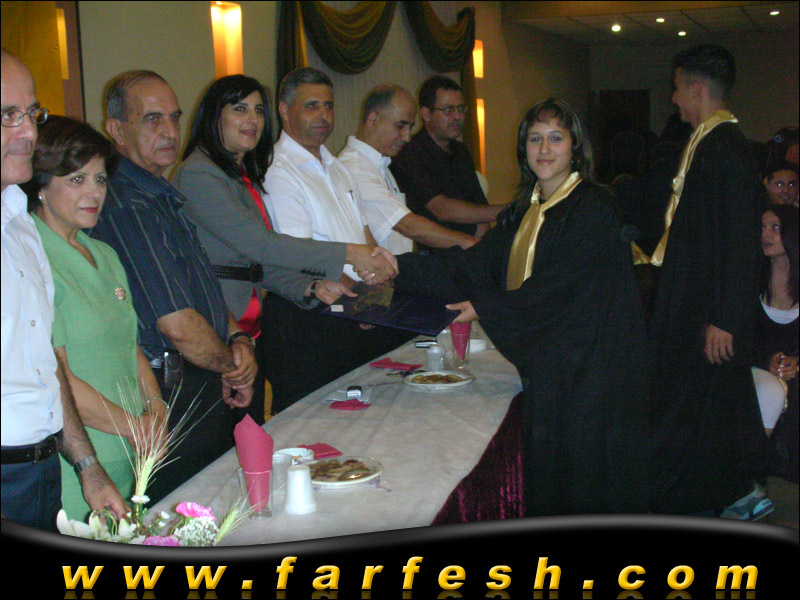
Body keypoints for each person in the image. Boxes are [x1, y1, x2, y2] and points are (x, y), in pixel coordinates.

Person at [393, 98, 650, 516]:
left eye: (556, 138)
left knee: (591, 486)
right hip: (555, 365)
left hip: (594, 370)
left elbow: (562, 287)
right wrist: (394, 269)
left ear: (575, 146)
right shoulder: (525, 209)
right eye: (535, 139)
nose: (544, 150)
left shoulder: (594, 207)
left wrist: (486, 306)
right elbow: (473, 264)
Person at [171, 75, 396, 415]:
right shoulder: (200, 174)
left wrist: (311, 286)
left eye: (258, 111)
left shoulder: (236, 173)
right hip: (216, 324)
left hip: (246, 327)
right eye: (240, 109)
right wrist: (349, 254)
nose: (253, 120)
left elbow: (256, 264)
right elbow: (261, 245)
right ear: (214, 115)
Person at [91, 70, 256, 504]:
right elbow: (178, 325)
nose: (169, 131)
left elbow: (201, 291)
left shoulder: (159, 194)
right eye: (152, 119)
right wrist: (232, 366)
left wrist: (237, 337)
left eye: (174, 118)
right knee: (187, 518)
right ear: (116, 130)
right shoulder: (127, 203)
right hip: (168, 396)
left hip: (199, 382)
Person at [1, 48, 126, 530]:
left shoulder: (21, 225)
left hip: (42, 470)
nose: (28, 132)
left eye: (31, 114)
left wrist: (87, 466)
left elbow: (46, 364)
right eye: (8, 115)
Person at [21, 116, 168, 520]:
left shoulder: (104, 253)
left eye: (100, 180)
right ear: (41, 186)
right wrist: (134, 426)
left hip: (132, 455)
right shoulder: (34, 258)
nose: (94, 192)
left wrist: (156, 410)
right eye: (77, 179)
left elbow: (128, 346)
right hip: (80, 467)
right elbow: (57, 374)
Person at [645, 45, 767, 519]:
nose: (674, 99)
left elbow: (740, 242)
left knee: (706, 407)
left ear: (696, 90)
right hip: (697, 303)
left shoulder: (727, 149)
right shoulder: (708, 142)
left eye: (677, 89)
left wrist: (726, 319)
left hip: (711, 312)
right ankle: (728, 493)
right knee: (704, 405)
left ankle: (722, 496)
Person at [263, 67, 403, 412]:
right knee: (312, 421)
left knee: (367, 415)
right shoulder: (278, 171)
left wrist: (379, 291)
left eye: (328, 106)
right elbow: (302, 256)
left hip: (352, 310)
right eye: (311, 106)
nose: (324, 115)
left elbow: (363, 236)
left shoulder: (337, 166)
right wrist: (363, 302)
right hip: (311, 317)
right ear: (284, 110)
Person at [338, 84, 479, 255]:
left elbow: (403, 240)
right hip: (377, 271)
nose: (407, 137)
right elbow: (408, 226)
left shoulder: (380, 163)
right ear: (373, 120)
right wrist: (470, 243)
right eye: (400, 126)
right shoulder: (354, 168)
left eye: (410, 127)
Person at [390, 75, 506, 252]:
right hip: (431, 254)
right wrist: (507, 210)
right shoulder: (410, 153)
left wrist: (485, 251)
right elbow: (441, 209)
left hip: (468, 251)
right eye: (448, 110)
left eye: (461, 109)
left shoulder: (460, 151)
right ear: (426, 114)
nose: (457, 117)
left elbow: (480, 213)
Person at [754, 204, 798, 483]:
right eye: (762, 227)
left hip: (792, 371)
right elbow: (741, 339)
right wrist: (764, 361)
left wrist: (797, 363)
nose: (765, 234)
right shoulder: (751, 281)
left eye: (775, 228)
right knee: (768, 391)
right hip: (755, 367)